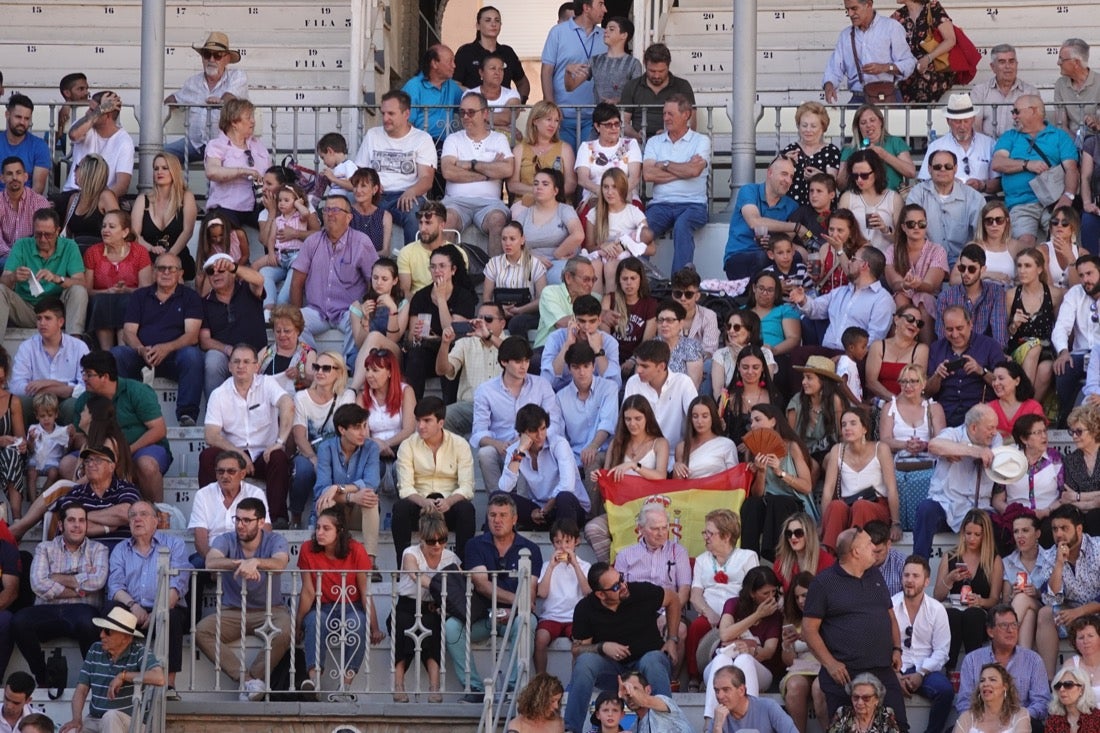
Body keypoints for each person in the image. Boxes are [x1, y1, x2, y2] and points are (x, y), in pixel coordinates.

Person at [802, 527, 908, 730]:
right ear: (856, 552)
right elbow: (809, 629)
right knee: (847, 728)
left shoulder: (875, 575)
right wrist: (830, 664)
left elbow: (890, 616)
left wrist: (897, 648)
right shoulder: (823, 583)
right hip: (846, 675)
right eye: (869, 544)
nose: (874, 547)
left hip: (882, 670)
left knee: (899, 726)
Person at [563, 561, 682, 733]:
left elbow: (673, 598)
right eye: (616, 586)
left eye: (621, 579)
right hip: (612, 671)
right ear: (601, 595)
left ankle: (666, 728)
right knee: (585, 662)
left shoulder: (640, 592)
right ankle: (571, 729)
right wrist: (602, 647)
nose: (624, 586)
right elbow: (577, 650)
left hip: (646, 669)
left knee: (653, 659)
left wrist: (672, 638)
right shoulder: (585, 608)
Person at [446, 494, 541, 703]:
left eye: (503, 515)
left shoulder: (530, 549)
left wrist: (515, 609)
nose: (497, 520)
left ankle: (513, 690)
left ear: (514, 519)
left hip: (515, 617)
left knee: (528, 622)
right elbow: (482, 584)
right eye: (492, 515)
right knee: (452, 627)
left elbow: (530, 594)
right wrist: (516, 601)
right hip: (483, 615)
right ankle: (475, 688)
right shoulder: (475, 545)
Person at [195, 497, 291, 702]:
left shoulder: (275, 540)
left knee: (286, 630)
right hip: (233, 611)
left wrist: (256, 562)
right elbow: (210, 562)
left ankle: (255, 677)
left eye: (247, 520)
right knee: (201, 631)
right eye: (237, 519)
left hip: (270, 609)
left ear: (261, 521)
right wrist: (241, 564)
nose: (240, 525)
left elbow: (280, 563)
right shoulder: (226, 539)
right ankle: (247, 680)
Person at [12, 502, 108, 685]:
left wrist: (56, 577)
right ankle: (42, 676)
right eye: (71, 520)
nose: (77, 525)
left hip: (82, 611)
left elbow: (97, 581)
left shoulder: (98, 549)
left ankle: (92, 680)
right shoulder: (45, 548)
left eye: (82, 520)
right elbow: (38, 584)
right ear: (61, 525)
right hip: (48, 611)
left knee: (89, 623)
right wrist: (80, 588)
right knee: (19, 621)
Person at [200, 343, 294, 527]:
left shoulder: (267, 384)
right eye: (236, 362)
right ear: (229, 366)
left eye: (246, 362)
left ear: (256, 366)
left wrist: (280, 441)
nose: (240, 366)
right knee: (207, 456)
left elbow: (287, 404)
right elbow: (211, 435)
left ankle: (277, 518)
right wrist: (239, 455)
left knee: (279, 457)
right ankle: (210, 515)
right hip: (233, 456)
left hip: (263, 454)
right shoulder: (219, 394)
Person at [296, 506, 382, 694]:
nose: (319, 532)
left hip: (351, 606)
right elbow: (308, 592)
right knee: (315, 621)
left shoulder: (356, 550)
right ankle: (314, 681)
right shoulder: (307, 550)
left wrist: (374, 627)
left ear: (340, 530)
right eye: (318, 527)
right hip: (323, 606)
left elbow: (365, 590)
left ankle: (345, 685)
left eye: (326, 529)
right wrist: (297, 625)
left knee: (358, 624)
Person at [110, 252, 202, 427]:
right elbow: (128, 332)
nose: (166, 272)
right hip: (143, 356)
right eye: (161, 268)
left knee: (193, 355)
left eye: (171, 269)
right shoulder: (140, 296)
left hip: (174, 358)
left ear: (180, 274)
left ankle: (186, 414)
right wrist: (140, 349)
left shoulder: (190, 297)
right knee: (116, 354)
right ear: (154, 272)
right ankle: (120, 412)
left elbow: (192, 336)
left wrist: (166, 348)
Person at [107, 500, 189, 693]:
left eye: (143, 514)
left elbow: (177, 585)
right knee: (109, 611)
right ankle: (114, 674)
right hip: (133, 609)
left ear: (156, 521)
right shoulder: (121, 549)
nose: (137, 519)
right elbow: (115, 586)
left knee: (173, 618)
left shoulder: (174, 544)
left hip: (167, 605)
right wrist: (134, 606)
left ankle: (168, 684)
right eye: (133, 515)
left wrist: (158, 611)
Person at [68, 351, 169, 505]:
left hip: (141, 448)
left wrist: (125, 451)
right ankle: (84, 509)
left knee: (147, 465)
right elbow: (78, 435)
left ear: (105, 377)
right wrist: (97, 450)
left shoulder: (137, 391)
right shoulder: (84, 399)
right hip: (99, 451)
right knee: (66, 463)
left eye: (89, 374)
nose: (84, 379)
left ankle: (155, 514)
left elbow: (158, 430)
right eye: (84, 373)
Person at [289, 194, 379, 361]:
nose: (330, 214)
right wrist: (295, 312)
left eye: (336, 210)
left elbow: (374, 282)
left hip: (348, 311)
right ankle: (311, 362)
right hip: (317, 311)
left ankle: (348, 367)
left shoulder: (361, 242)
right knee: (291, 322)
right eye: (326, 209)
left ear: (349, 217)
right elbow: (296, 283)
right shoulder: (312, 242)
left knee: (358, 317)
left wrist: (368, 310)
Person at [472, 335, 562, 494]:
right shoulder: (486, 390)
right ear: (504, 362)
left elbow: (554, 422)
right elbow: (479, 432)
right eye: (518, 361)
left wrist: (528, 441)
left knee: (524, 451)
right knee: (485, 453)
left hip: (533, 446)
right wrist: (498, 445)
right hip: (502, 447)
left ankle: (522, 507)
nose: (524, 366)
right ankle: (497, 501)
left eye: (526, 361)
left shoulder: (541, 385)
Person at [393, 396, 476, 564]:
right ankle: (403, 569)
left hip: (448, 505)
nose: (420, 426)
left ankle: (462, 569)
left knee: (467, 509)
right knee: (400, 508)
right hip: (420, 504)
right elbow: (405, 488)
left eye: (427, 420)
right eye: (418, 421)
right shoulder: (407, 445)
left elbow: (467, 486)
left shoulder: (460, 444)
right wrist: (424, 502)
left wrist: (449, 501)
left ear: (441, 422)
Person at [911, 402, 1000, 558]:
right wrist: (973, 451)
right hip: (946, 505)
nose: (994, 432)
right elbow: (934, 445)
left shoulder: (995, 438)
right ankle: (919, 566)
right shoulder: (954, 433)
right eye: (990, 428)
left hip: (978, 507)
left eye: (995, 427)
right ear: (973, 428)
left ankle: (989, 577)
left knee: (996, 524)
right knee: (926, 510)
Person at [991, 95, 1080, 249]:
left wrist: (1068, 196)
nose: (1013, 116)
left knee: (1064, 244)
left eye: (1016, 111)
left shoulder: (1059, 136)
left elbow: (1071, 169)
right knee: (1025, 244)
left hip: (1053, 203)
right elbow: (997, 163)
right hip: (1020, 204)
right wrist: (1026, 164)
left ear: (1033, 111)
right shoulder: (1010, 136)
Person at [701, 566, 786, 722]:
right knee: (722, 661)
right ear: (752, 593)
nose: (771, 597)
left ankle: (750, 723)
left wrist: (751, 651)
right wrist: (757, 615)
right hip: (719, 669)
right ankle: (710, 725)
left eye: (774, 592)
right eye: (765, 593)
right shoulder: (733, 604)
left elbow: (769, 651)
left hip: (758, 670)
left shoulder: (774, 615)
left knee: (744, 660)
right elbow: (724, 634)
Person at [353, 90, 437, 246]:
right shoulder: (373, 135)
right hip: (376, 194)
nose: (385, 118)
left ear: (406, 114)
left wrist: (412, 191)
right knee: (345, 208)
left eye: (391, 113)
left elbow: (427, 179)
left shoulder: (422, 139)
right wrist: (372, 186)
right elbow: (359, 172)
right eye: (383, 113)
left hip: (405, 194)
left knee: (414, 215)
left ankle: (411, 262)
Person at [62, 606, 165, 733]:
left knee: (110, 717)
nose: (101, 635)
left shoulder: (139, 651)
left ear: (126, 637)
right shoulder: (95, 649)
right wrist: (76, 719)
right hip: (95, 719)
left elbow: (159, 678)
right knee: (71, 731)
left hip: (130, 722)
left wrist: (123, 676)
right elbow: (81, 690)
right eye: (101, 630)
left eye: (108, 631)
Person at [687, 509, 760, 687]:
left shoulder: (747, 557)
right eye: (705, 532)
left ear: (726, 536)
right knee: (697, 626)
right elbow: (695, 595)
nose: (705, 537)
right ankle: (694, 677)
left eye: (710, 533)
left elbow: (754, 592)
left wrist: (730, 618)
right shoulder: (702, 560)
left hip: (738, 616)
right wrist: (709, 612)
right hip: (709, 616)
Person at [391, 510, 457, 702]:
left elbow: (460, 579)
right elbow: (414, 573)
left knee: (434, 629)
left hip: (432, 606)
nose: (437, 545)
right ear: (421, 538)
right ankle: (398, 686)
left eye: (442, 540)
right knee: (403, 627)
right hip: (407, 605)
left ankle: (434, 688)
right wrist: (439, 587)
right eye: (431, 541)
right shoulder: (410, 552)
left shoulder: (450, 557)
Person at [641, 95, 710, 274]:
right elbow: (648, 174)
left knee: (682, 226)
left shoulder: (701, 140)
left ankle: (679, 284)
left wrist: (664, 165)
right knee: (642, 230)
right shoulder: (654, 141)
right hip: (660, 205)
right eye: (664, 114)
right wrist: (684, 170)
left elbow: (694, 172)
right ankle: (641, 280)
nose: (665, 118)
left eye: (670, 114)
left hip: (693, 204)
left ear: (686, 114)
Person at [440, 92, 514, 258]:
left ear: (485, 113)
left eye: (471, 112)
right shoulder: (453, 139)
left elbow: (507, 169)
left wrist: (470, 164)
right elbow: (448, 171)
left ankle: (495, 278)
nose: (466, 117)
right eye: (462, 112)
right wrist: (488, 174)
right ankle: (446, 277)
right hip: (455, 202)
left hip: (490, 204)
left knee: (498, 220)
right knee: (447, 219)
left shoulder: (499, 139)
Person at [820, 407, 902, 553]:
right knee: (836, 506)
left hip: (875, 505)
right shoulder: (837, 450)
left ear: (864, 428)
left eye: (853, 423)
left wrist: (896, 523)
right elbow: (827, 490)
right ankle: (829, 558)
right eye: (844, 425)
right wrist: (823, 523)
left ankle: (854, 554)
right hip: (848, 504)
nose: (847, 428)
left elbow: (891, 488)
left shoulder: (881, 448)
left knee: (861, 505)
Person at [0, 208, 87, 344]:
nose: (43, 239)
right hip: (27, 309)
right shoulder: (22, 245)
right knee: (0, 290)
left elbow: (82, 283)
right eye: (38, 234)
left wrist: (58, 279)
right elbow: (4, 281)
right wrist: (13, 277)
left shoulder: (70, 246)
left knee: (78, 290)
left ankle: (75, 344)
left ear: (58, 231)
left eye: (48, 235)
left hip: (57, 309)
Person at [309, 403, 382, 566]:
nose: (363, 432)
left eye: (365, 426)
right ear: (342, 430)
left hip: (358, 511)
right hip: (336, 509)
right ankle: (327, 560)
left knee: (370, 498)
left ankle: (370, 563)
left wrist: (339, 488)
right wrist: (351, 496)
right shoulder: (326, 448)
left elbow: (372, 482)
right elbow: (322, 489)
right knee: (325, 500)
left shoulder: (371, 448)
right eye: (357, 427)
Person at [185, 450, 270, 588]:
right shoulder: (203, 494)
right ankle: (192, 611)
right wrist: (213, 563)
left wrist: (249, 561)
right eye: (220, 471)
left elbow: (265, 529)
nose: (225, 476)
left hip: (246, 552)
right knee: (194, 568)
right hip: (212, 551)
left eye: (231, 471)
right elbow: (200, 538)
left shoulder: (255, 493)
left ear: (242, 474)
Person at [497, 403, 589, 530]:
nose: (540, 435)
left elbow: (567, 486)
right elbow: (505, 487)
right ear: (522, 433)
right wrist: (521, 451)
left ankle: (565, 545)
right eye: (534, 431)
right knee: (498, 497)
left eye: (543, 428)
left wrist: (545, 509)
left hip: (568, 508)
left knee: (564, 497)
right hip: (539, 509)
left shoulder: (559, 444)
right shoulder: (516, 450)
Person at [741, 403, 815, 560]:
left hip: (793, 503)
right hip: (767, 503)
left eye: (758, 420)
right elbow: (757, 494)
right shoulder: (752, 451)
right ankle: (748, 558)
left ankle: (774, 559)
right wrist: (761, 472)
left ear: (773, 421)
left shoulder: (792, 447)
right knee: (751, 504)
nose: (753, 425)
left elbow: (807, 486)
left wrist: (780, 472)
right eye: (751, 421)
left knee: (777, 501)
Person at [933, 509, 1005, 669]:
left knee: (973, 616)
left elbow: (994, 599)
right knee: (952, 615)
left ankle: (975, 671)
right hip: (954, 607)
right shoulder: (950, 556)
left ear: (985, 535)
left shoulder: (993, 560)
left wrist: (980, 601)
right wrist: (950, 579)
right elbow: (937, 596)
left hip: (978, 611)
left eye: (977, 534)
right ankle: (949, 670)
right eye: (968, 533)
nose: (971, 538)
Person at [164, 30, 248, 164]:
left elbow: (230, 98)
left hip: (225, 146)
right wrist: (162, 106)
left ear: (227, 59)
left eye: (217, 55)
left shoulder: (237, 76)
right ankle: (175, 186)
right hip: (194, 145)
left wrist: (221, 101)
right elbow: (174, 99)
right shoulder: (193, 82)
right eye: (207, 55)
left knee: (224, 167)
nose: (211, 60)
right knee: (160, 156)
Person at [891, 554, 954, 733]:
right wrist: (894, 674)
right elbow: (881, 646)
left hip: (925, 670)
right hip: (895, 669)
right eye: (906, 575)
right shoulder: (890, 606)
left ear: (927, 581)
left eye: (915, 576)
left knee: (946, 691)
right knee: (880, 689)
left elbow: (942, 651)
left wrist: (920, 673)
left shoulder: (937, 609)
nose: (909, 580)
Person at [789, 247, 894, 353]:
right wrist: (803, 300)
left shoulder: (883, 299)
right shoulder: (841, 292)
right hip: (827, 352)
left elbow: (874, 339)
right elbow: (815, 309)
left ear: (864, 265)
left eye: (853, 259)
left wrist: (847, 357)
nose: (848, 262)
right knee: (798, 354)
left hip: (854, 358)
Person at [1038, 505, 1100, 677]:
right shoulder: (1051, 555)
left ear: (1079, 529)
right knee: (1045, 613)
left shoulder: (1098, 548)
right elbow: (1050, 600)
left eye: (1064, 528)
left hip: (1095, 613)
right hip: (1070, 613)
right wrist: (1059, 564)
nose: (1058, 534)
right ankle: (1049, 681)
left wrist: (1079, 612)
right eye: (1055, 529)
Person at [539, 0, 608, 151]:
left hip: (594, 119)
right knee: (563, 168)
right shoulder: (558, 32)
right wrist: (551, 110)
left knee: (588, 169)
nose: (605, 9)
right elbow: (546, 72)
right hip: (562, 117)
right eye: (601, 4)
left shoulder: (606, 36)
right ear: (586, 8)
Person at [10, 298, 88, 428]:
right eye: (39, 318)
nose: (42, 323)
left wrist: (50, 384)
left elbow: (86, 386)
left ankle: (70, 445)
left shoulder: (79, 347)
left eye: (47, 318)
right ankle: (25, 445)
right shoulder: (27, 347)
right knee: (20, 402)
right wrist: (58, 388)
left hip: (66, 399)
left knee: (74, 405)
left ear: (60, 322)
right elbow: (16, 386)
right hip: (37, 399)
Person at [198, 253, 267, 399]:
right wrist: (227, 349)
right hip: (227, 357)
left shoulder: (247, 289)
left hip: (258, 355)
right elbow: (204, 340)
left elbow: (259, 280)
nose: (215, 274)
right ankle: (215, 412)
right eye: (211, 271)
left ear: (233, 273)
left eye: (221, 270)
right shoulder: (204, 303)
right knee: (212, 360)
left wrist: (234, 266)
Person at [82, 210, 152, 351]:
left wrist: (126, 290)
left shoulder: (139, 252)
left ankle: (122, 350)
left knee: (127, 300)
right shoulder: (93, 252)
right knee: (103, 300)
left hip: (130, 303)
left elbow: (146, 289)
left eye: (111, 227)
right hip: (100, 303)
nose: (105, 230)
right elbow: (87, 290)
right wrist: (108, 291)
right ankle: (106, 353)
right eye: (104, 226)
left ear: (125, 232)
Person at [822, 0, 916, 105]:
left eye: (854, 8)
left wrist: (885, 68)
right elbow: (834, 68)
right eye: (847, 10)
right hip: (859, 98)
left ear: (868, 4)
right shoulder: (845, 35)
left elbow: (909, 63)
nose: (850, 14)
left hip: (889, 97)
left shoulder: (891, 27)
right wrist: (829, 84)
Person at [926, 306, 1004, 427]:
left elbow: (1004, 385)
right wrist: (937, 376)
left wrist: (981, 371)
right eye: (949, 329)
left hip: (980, 413)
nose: (955, 334)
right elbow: (926, 392)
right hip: (945, 414)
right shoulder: (936, 348)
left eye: (960, 328)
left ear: (970, 324)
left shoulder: (990, 345)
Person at [724, 157, 799, 280]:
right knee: (762, 258)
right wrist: (796, 227)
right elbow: (755, 222)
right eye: (784, 174)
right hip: (739, 255)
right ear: (770, 173)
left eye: (791, 176)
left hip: (772, 256)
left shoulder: (792, 206)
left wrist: (774, 241)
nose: (788, 180)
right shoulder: (749, 190)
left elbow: (800, 236)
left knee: (798, 256)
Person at [436, 302, 505, 436]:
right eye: (481, 319)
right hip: (470, 406)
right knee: (438, 420)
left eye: (488, 319)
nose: (483, 323)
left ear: (502, 324)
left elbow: (515, 355)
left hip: (502, 407)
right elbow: (442, 370)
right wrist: (445, 344)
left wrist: (489, 336)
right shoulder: (465, 342)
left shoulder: (511, 342)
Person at [906, 151, 985, 269]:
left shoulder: (973, 197)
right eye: (937, 167)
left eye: (948, 166)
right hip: (926, 263)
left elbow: (981, 237)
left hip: (963, 264)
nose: (943, 170)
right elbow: (910, 229)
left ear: (955, 169)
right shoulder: (918, 193)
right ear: (929, 169)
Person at [623, 339, 697, 462]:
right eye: (638, 364)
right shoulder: (633, 382)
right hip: (642, 457)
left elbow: (695, 418)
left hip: (677, 457)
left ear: (661, 366)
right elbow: (624, 421)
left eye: (644, 366)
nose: (638, 370)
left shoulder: (683, 382)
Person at [534, 519, 591, 675]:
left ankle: (575, 679)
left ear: (576, 542)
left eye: (567, 541)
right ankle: (541, 677)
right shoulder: (547, 566)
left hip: (575, 617)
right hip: (551, 616)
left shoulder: (585, 566)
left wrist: (575, 565)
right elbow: (542, 593)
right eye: (558, 542)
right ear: (553, 544)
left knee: (580, 644)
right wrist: (552, 567)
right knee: (540, 639)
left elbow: (588, 592)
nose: (563, 547)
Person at [1006, 248, 1062, 407]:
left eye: (1027, 266)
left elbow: (1060, 327)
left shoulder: (1055, 294)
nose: (1022, 271)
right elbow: (1005, 333)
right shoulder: (1011, 295)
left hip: (1046, 348)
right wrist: (1014, 325)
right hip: (1018, 347)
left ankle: (1027, 409)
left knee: (1047, 368)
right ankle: (1024, 405)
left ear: (1039, 269)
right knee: (1034, 347)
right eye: (1019, 266)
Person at [202, 98, 270, 227]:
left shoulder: (257, 145)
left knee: (277, 225)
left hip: (258, 205)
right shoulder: (217, 145)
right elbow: (212, 172)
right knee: (222, 228)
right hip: (227, 206)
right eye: (248, 117)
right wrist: (244, 171)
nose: (253, 121)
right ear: (234, 122)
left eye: (252, 116)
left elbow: (270, 172)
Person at [131, 152, 199, 280]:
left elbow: (187, 232)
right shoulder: (142, 199)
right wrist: (151, 248)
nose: (159, 172)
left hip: (178, 256)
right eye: (156, 168)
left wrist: (169, 257)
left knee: (172, 270)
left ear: (174, 171)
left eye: (164, 168)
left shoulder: (186, 197)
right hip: (148, 256)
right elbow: (134, 234)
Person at [884, 204, 947, 340]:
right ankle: (896, 347)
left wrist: (918, 284)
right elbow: (894, 283)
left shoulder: (937, 250)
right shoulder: (892, 250)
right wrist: (905, 285)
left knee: (924, 298)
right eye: (911, 224)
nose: (917, 227)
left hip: (928, 299)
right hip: (903, 297)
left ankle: (926, 350)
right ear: (903, 227)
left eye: (921, 223)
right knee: (900, 297)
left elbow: (930, 286)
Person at [919, 93, 1001, 195]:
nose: (962, 126)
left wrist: (982, 185)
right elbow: (924, 182)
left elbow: (999, 182)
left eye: (966, 121)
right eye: (957, 121)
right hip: (946, 202)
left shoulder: (989, 144)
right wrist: (947, 183)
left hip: (983, 201)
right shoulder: (936, 146)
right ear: (948, 121)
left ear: (973, 119)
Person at [512, 168, 584, 285]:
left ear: (555, 190)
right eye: (536, 184)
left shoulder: (565, 210)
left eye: (545, 184)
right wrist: (533, 258)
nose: (539, 187)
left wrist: (557, 254)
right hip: (530, 262)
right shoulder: (524, 214)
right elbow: (513, 243)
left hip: (559, 262)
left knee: (560, 277)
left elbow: (578, 235)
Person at [508, 101, 577, 216]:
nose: (553, 125)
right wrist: (539, 192)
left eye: (556, 120)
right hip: (525, 203)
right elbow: (512, 185)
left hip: (557, 202)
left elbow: (571, 183)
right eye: (548, 119)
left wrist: (550, 197)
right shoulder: (520, 149)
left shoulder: (565, 148)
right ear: (535, 121)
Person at [618, 43, 696, 142]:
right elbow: (624, 122)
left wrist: (669, 133)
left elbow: (691, 123)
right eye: (652, 71)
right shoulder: (632, 86)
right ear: (645, 65)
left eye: (661, 71)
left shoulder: (682, 86)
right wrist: (636, 136)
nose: (656, 76)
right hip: (640, 143)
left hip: (674, 142)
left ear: (668, 66)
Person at [64, 91, 133, 202]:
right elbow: (73, 134)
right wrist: (99, 110)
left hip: (101, 199)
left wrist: (98, 201)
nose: (88, 113)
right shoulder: (86, 125)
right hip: (73, 193)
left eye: (93, 110)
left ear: (107, 115)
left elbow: (122, 186)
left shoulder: (124, 141)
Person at [576, 103, 643, 216]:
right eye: (608, 125)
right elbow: (583, 180)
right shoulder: (586, 147)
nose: (614, 128)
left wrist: (617, 195)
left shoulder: (631, 144)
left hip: (626, 196)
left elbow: (634, 178)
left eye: (617, 124)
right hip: (595, 197)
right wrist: (605, 193)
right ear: (597, 126)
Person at [482, 222, 547, 337]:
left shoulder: (535, 264)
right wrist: (500, 310)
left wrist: (520, 310)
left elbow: (541, 299)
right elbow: (486, 298)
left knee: (517, 323)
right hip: (499, 312)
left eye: (512, 239)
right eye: (504, 239)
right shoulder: (493, 264)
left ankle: (521, 354)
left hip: (528, 313)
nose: (507, 243)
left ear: (522, 240)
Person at [1001, 513, 1055, 651]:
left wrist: (1037, 593)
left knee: (1023, 598)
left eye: (1025, 530)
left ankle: (1001, 639)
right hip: (1023, 613)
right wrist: (1013, 595)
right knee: (1028, 613)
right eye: (1016, 531)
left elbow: (1057, 597)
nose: (1020, 536)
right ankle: (1024, 665)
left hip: (1048, 614)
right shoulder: (1008, 562)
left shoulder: (1050, 558)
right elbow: (1005, 602)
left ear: (1037, 533)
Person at [937, 244, 1010, 346]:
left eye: (971, 269)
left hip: (985, 354)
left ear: (983, 269)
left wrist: (996, 357)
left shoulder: (996, 293)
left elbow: (999, 334)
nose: (966, 273)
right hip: (955, 354)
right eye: (962, 268)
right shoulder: (946, 297)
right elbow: (942, 338)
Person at [1056, 256, 1100, 424]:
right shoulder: (1075, 293)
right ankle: (1066, 422)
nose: (1085, 280)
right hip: (1080, 355)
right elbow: (1061, 326)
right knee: (1064, 368)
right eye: (1081, 275)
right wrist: (1063, 351)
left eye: (1089, 274)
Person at [837, 105, 917, 192]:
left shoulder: (895, 142)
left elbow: (911, 172)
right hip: (859, 199)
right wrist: (852, 161)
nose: (868, 125)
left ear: (881, 122)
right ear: (858, 127)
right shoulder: (849, 149)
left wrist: (884, 155)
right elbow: (840, 186)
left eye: (872, 120)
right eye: (863, 123)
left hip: (892, 198)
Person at [891, 0, 957, 103]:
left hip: (934, 66)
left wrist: (928, 58)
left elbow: (950, 40)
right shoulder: (898, 16)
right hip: (910, 69)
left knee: (924, 81)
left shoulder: (932, 8)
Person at [838, 150, 903, 253]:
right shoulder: (848, 197)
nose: (859, 180)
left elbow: (902, 239)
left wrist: (885, 229)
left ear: (876, 173)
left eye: (864, 175)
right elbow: (839, 232)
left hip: (886, 260)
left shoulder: (893, 198)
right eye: (855, 176)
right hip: (856, 259)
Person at [602, 258, 657, 378]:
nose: (629, 283)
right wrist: (614, 362)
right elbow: (604, 338)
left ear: (640, 280)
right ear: (619, 280)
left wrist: (633, 360)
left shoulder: (650, 304)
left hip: (637, 358)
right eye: (624, 279)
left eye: (633, 278)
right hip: (611, 357)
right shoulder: (609, 299)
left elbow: (647, 340)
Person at [971, 45, 1040, 140]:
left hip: (1020, 148)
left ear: (1017, 64)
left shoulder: (1031, 92)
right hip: (988, 148)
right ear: (993, 67)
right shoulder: (980, 91)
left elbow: (1036, 127)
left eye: (1011, 61)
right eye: (1002, 62)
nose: (1008, 66)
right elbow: (975, 127)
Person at [781, 102, 842, 207]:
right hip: (792, 208)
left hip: (821, 211)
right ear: (798, 126)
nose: (808, 130)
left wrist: (819, 176)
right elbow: (776, 177)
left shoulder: (831, 150)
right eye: (804, 125)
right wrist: (783, 162)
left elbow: (833, 183)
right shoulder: (791, 149)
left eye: (813, 126)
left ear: (823, 128)